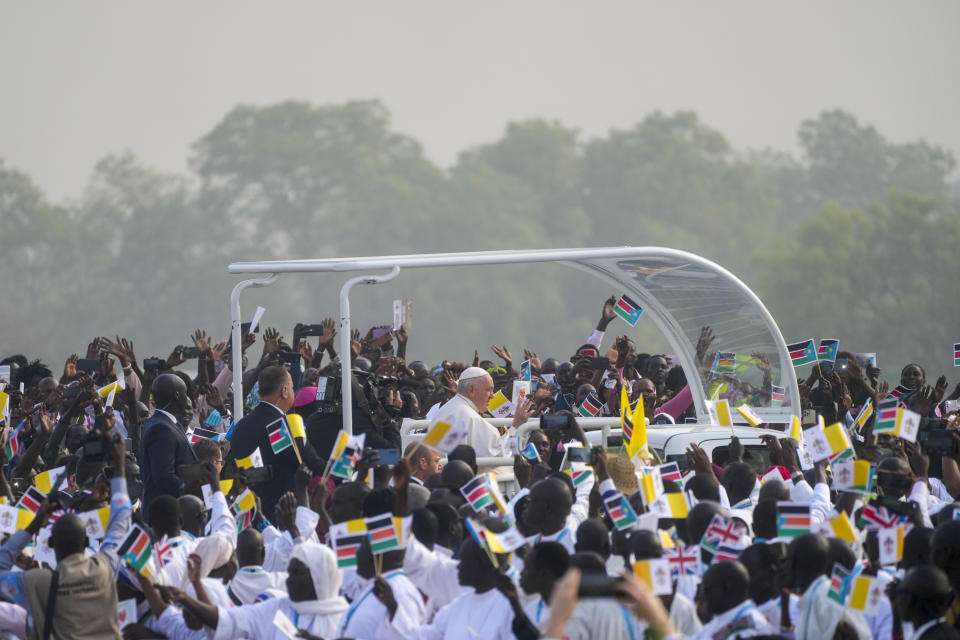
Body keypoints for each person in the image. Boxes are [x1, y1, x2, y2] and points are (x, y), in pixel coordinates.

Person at [0, 433, 131, 639]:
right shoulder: (104, 566)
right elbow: (121, 518)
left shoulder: (38, 582)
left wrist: (35, 524)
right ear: (86, 540)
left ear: (50, 545)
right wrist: (120, 466)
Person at [173, 542, 349, 639]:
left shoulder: (346, 619)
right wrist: (189, 593)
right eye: (289, 572)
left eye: (297, 573)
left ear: (318, 578)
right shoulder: (276, 609)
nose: (290, 579)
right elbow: (229, 620)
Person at [227, 366, 324, 520]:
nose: (294, 392)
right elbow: (311, 464)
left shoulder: (240, 425)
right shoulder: (282, 426)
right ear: (284, 391)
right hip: (283, 513)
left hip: (249, 513)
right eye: (292, 388)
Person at [428, 367, 519, 458]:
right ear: (471, 390)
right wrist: (516, 427)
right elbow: (500, 456)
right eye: (488, 390)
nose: (492, 396)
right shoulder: (470, 418)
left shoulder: (445, 410)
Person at [140, 373, 197, 514]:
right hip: (166, 514)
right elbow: (164, 477)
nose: (187, 397)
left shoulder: (164, 422)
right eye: (185, 393)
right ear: (177, 396)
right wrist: (195, 489)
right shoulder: (161, 428)